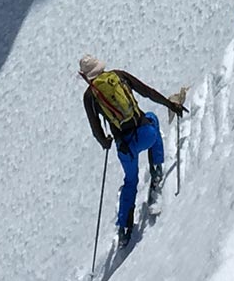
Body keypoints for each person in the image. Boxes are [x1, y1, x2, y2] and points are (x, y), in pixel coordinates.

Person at [79, 54, 187, 245]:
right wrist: (171, 105)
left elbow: (97, 131)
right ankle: (156, 174)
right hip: (145, 134)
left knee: (130, 181)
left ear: (86, 76)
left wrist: (106, 141)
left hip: (125, 148)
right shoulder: (119, 76)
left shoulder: (90, 96)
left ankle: (125, 229)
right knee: (152, 119)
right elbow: (148, 92)